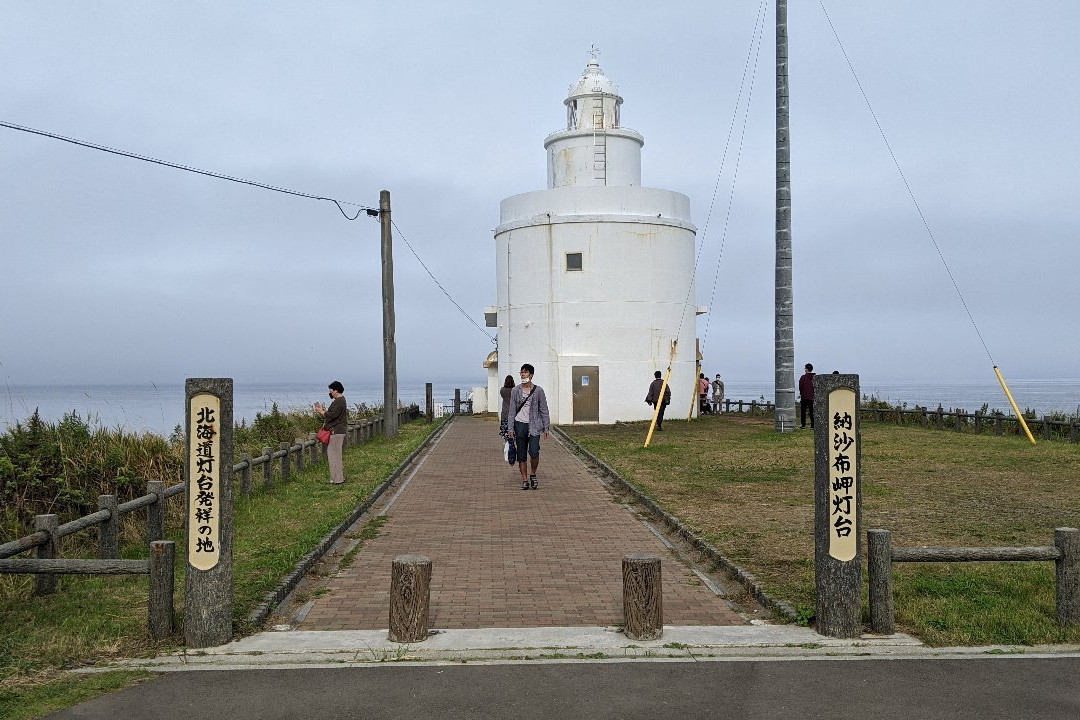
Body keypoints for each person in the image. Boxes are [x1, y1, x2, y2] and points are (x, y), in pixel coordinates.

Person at [507, 363, 550, 490]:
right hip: (519, 424)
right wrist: (510, 428)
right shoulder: (516, 390)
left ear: (531, 375)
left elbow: (544, 410)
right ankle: (525, 479)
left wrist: (546, 427)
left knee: (534, 452)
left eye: (525, 372)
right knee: (521, 454)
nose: (522, 375)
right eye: (521, 372)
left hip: (534, 426)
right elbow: (511, 411)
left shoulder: (538, 390)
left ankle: (533, 474)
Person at [314, 381, 347, 484]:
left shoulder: (339, 401)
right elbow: (331, 414)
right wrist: (323, 412)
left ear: (336, 390)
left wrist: (321, 412)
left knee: (334, 456)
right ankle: (337, 478)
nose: (330, 393)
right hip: (337, 431)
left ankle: (337, 479)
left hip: (336, 432)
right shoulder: (340, 400)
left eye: (331, 391)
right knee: (335, 455)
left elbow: (331, 415)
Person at [799, 363, 815, 429]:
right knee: (812, 412)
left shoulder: (803, 377)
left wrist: (801, 393)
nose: (804, 369)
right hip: (812, 397)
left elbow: (801, 386)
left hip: (804, 397)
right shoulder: (814, 377)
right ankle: (813, 425)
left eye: (805, 368)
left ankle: (803, 425)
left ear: (807, 369)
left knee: (803, 411)